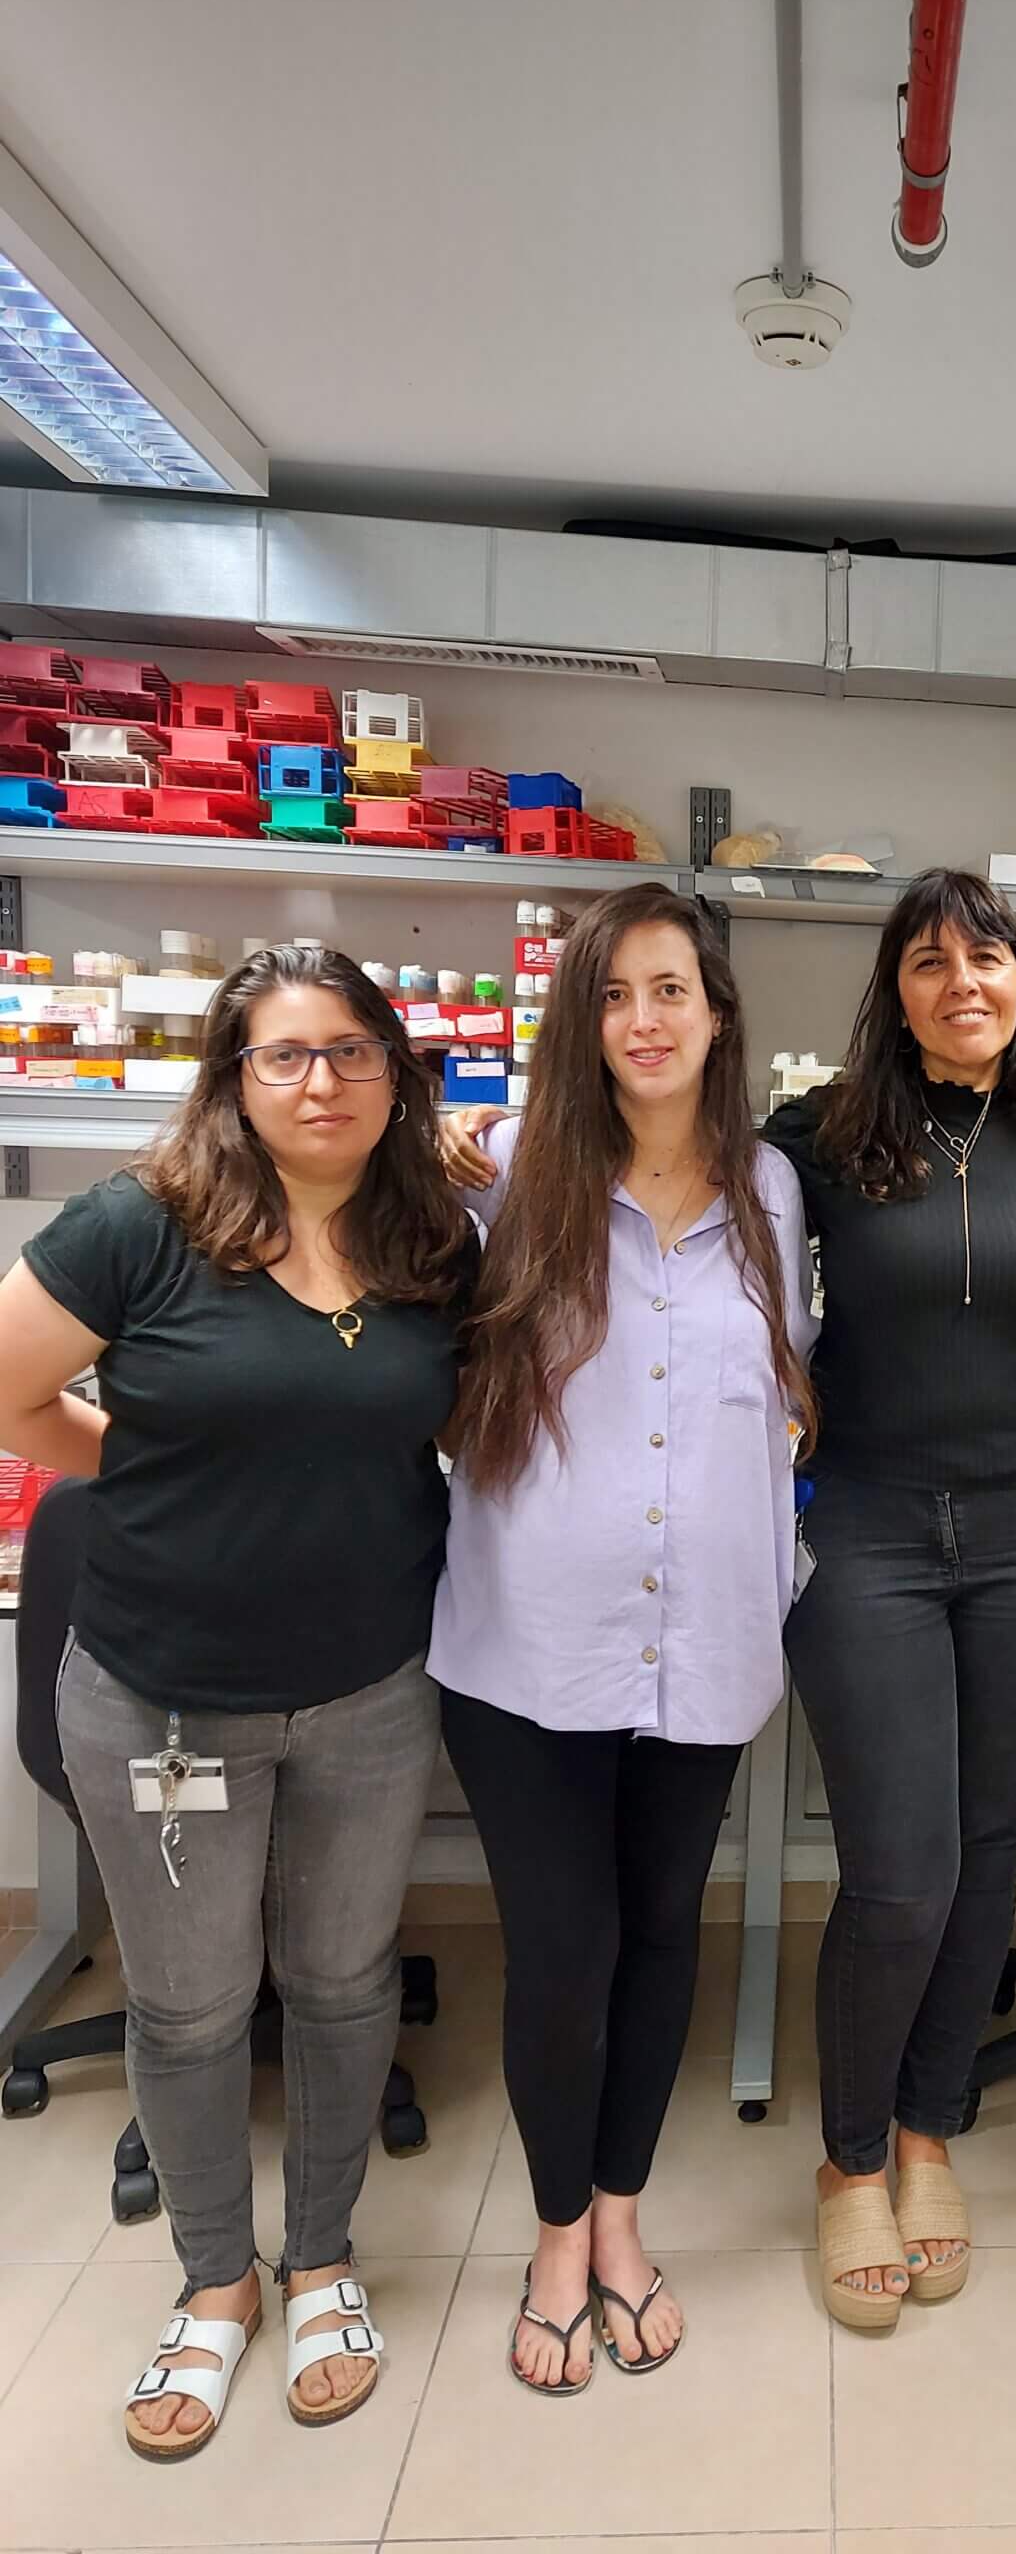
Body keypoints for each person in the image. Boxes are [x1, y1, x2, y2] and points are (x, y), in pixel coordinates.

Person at [0, 945, 474, 2460]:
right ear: (234, 1076)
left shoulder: (431, 1241)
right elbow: (6, 1391)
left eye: (350, 1051)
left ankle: (322, 2253)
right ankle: (217, 2282)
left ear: (395, 1071)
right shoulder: (141, 1228)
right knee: (192, 2006)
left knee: (343, 1989)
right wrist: (129, 1475)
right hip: (162, 1705)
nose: (320, 1081)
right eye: (285, 1055)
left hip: (370, 1694)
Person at [434, 883, 815, 2393]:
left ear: (717, 1013)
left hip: (706, 1638)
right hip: (530, 1644)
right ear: (578, 1024)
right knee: (563, 1946)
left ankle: (618, 2215)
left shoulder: (775, 1195)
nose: (643, 1022)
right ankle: (547, 2230)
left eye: (670, 990)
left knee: (664, 1934)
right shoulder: (508, 1176)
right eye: (612, 996)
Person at [761, 868, 1016, 2332]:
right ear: (892, 990)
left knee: (980, 1852)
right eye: (927, 961)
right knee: (899, 1868)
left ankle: (927, 2130)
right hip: (873, 1532)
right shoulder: (817, 1138)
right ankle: (849, 2162)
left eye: (988, 957)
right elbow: (652, 1206)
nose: (962, 982)